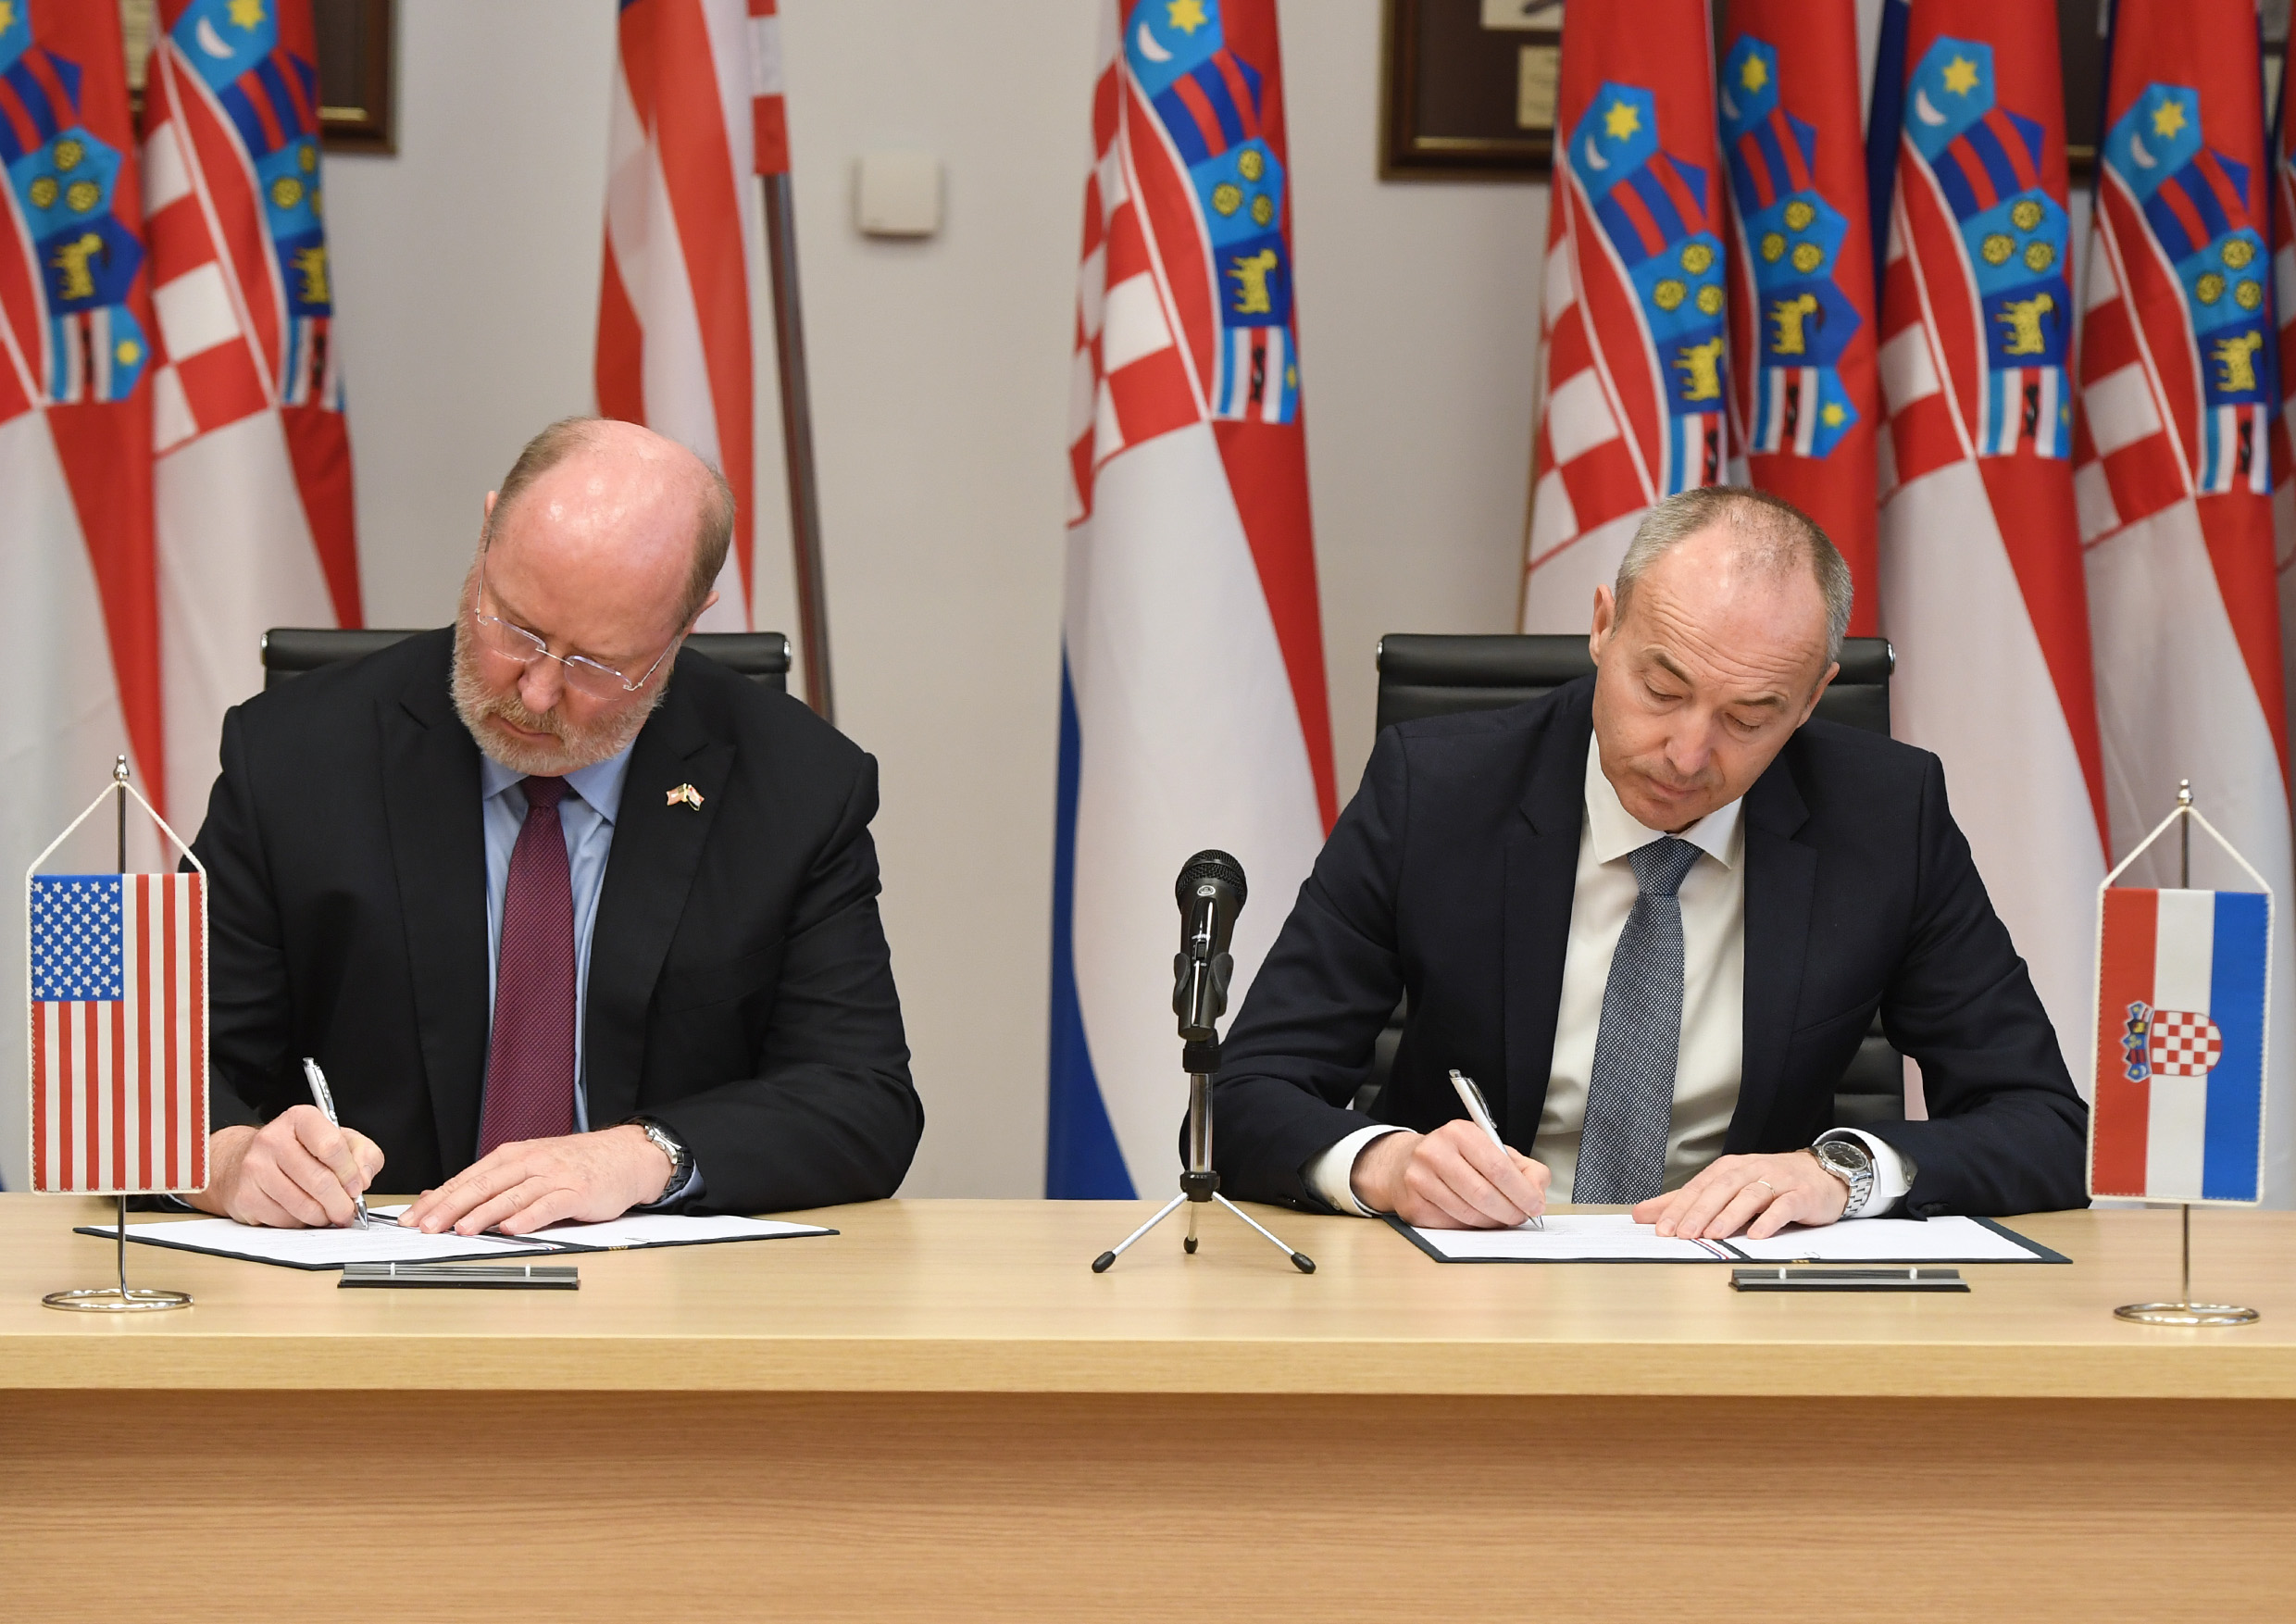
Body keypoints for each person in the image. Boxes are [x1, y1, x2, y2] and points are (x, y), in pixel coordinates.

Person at [1208, 486, 2089, 1237]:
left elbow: (2045, 1125)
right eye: (1661, 690)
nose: (1687, 753)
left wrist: (1843, 1173)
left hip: (1741, 1302)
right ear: (1603, 627)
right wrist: (1387, 1165)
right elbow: (1244, 1093)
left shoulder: (1886, 818)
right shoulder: (1437, 791)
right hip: (1467, 1289)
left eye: (1749, 718)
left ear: (1812, 700)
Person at [186, 418, 920, 1234]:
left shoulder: (797, 786)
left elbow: (863, 1100)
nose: (535, 693)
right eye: (517, 629)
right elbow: (157, 1065)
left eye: (598, 664)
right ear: (487, 534)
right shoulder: (294, 759)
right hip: (366, 1268)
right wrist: (228, 1160)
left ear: (686, 626)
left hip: (668, 1290)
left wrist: (643, 1156)